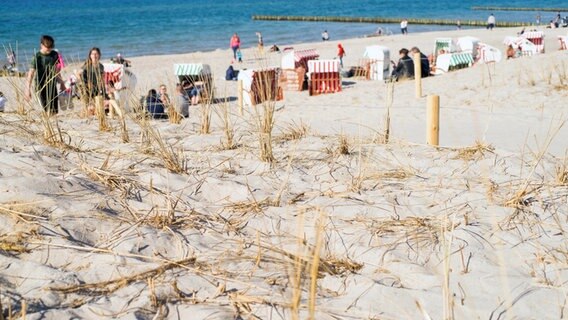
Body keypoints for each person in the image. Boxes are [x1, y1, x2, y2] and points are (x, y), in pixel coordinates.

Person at [25, 35, 66, 114]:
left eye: (51, 47)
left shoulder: (54, 54)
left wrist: (62, 83)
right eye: (47, 47)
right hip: (40, 86)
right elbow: (31, 74)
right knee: (46, 110)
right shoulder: (37, 57)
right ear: (41, 45)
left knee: (54, 111)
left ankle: (52, 125)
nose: (49, 49)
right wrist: (27, 89)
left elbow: (56, 71)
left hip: (52, 85)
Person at [79, 47, 106, 116]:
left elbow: (102, 78)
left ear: (99, 55)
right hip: (87, 89)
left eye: (96, 54)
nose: (94, 55)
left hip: (97, 88)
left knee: (98, 108)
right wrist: (87, 84)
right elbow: (79, 75)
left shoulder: (101, 66)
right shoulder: (87, 65)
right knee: (90, 109)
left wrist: (103, 90)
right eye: (92, 54)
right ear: (90, 55)